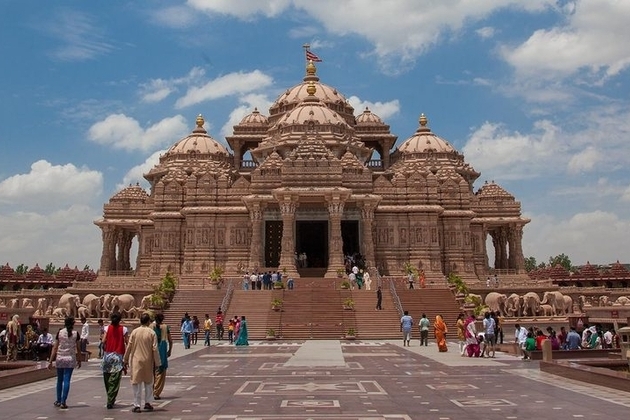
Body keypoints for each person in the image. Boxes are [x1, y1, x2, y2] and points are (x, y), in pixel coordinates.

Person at [124, 313, 160, 413]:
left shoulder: (135, 332)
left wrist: (125, 359)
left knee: (136, 383)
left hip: (136, 360)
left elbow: (129, 347)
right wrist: (157, 363)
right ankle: (148, 403)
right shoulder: (152, 333)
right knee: (148, 382)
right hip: (148, 360)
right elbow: (155, 348)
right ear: (148, 322)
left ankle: (137, 405)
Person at [48, 316, 81, 409]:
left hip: (60, 358)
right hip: (70, 358)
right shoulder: (75, 334)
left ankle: (58, 400)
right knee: (67, 380)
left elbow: (55, 348)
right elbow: (78, 348)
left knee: (59, 380)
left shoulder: (60, 332)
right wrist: (79, 360)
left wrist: (50, 361)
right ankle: (63, 401)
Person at [101, 312, 129, 409]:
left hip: (107, 356)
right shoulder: (124, 329)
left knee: (107, 378)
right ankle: (110, 398)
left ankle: (110, 396)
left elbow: (103, 340)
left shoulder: (106, 328)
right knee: (115, 380)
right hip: (118, 356)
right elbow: (127, 342)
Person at [152, 313, 173, 400]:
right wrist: (169, 351)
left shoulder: (150, 327)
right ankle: (156, 392)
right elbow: (171, 340)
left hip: (152, 351)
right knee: (160, 372)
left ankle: (152, 389)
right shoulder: (165, 327)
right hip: (162, 351)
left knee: (153, 371)